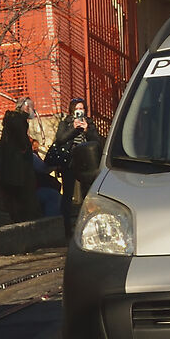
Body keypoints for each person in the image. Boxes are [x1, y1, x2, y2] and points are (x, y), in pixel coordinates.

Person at [45, 99, 103, 236]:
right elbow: (60, 139)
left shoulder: (89, 123)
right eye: (77, 108)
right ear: (72, 110)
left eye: (82, 108)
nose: (80, 111)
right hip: (69, 162)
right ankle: (67, 229)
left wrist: (87, 130)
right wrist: (73, 129)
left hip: (86, 163)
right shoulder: (65, 123)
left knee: (87, 195)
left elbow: (97, 141)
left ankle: (88, 227)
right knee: (68, 195)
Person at [0, 100, 40, 222]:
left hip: (13, 166)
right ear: (26, 108)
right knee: (21, 195)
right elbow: (22, 141)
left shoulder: (13, 121)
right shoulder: (18, 121)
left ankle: (19, 218)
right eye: (32, 107)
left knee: (14, 196)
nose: (33, 111)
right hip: (18, 166)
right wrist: (24, 148)